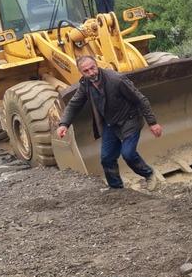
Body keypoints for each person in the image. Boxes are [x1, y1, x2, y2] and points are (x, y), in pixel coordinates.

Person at [57, 56, 162, 190]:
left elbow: (140, 99)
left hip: (129, 120)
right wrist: (64, 124)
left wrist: (152, 123)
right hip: (110, 124)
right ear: (81, 72)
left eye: (92, 68)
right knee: (107, 158)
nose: (91, 73)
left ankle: (149, 174)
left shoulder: (116, 80)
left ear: (97, 65)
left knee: (128, 154)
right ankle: (116, 188)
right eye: (86, 71)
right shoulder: (86, 85)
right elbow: (74, 104)